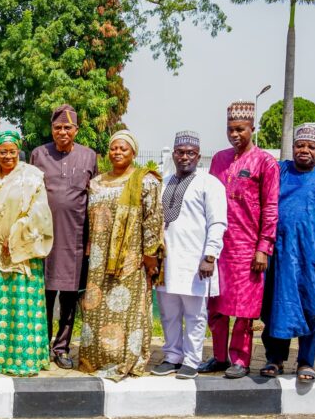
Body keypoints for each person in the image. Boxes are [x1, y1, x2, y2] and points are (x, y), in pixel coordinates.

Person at [260, 125, 315, 382]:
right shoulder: (280, 171)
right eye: (301, 145)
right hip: (282, 255)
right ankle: (274, 358)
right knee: (278, 305)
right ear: (293, 148)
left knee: (312, 307)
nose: (305, 150)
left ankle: (306, 361)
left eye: (311, 147)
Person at [201, 101, 279, 379]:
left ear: (252, 129)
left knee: (244, 311)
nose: (235, 134)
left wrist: (263, 248)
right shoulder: (219, 160)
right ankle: (220, 356)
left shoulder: (265, 162)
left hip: (248, 249)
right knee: (216, 306)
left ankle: (241, 360)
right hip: (219, 246)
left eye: (240, 129)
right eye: (230, 129)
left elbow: (271, 207)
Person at [79, 130, 164, 380]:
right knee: (97, 307)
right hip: (98, 258)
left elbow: (153, 219)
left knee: (127, 309)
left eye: (123, 148)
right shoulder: (96, 183)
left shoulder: (145, 180)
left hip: (131, 257)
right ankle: (98, 357)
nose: (117, 152)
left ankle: (127, 357)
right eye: (114, 148)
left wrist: (150, 255)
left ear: (133, 153)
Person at [0, 130, 54, 376]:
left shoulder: (32, 176)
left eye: (12, 151)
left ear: (19, 151)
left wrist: (16, 233)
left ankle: (23, 356)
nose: (8, 156)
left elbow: (41, 212)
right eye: (2, 152)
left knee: (20, 308)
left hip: (22, 250)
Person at [150, 131, 227, 379]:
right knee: (168, 313)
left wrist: (210, 256)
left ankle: (192, 360)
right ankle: (173, 356)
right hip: (167, 262)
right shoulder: (163, 182)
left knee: (195, 314)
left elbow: (218, 223)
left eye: (190, 153)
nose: (185, 157)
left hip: (196, 262)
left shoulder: (210, 183)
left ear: (198, 155)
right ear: (173, 154)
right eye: (180, 152)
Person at [30, 104, 98, 369]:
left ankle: (62, 348)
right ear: (52, 130)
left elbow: (94, 196)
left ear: (76, 130)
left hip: (75, 239)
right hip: (44, 238)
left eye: (67, 127)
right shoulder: (38, 154)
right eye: (57, 127)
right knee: (44, 296)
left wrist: (92, 240)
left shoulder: (89, 156)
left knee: (69, 299)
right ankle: (40, 345)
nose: (62, 132)